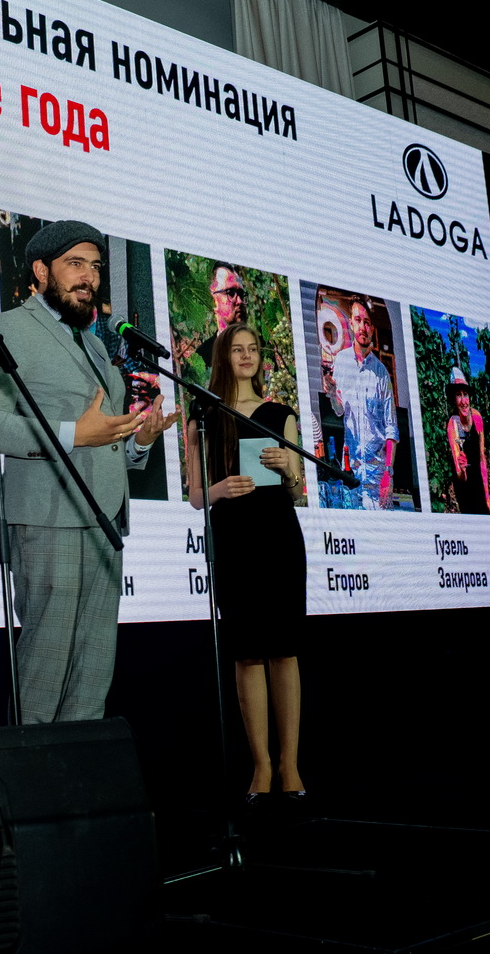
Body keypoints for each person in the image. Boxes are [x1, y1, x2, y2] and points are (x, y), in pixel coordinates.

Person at [0, 220, 177, 723]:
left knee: (92, 675)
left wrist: (140, 441)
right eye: (75, 264)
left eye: (96, 267)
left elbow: (106, 440)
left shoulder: (97, 346)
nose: (90, 278)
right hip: (47, 519)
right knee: (46, 670)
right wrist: (73, 434)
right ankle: (29, 774)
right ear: (41, 271)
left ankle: (79, 772)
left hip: (106, 523)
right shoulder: (6, 329)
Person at [187, 323, 307, 802]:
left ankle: (290, 765)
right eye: (237, 349)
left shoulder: (281, 414)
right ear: (223, 357)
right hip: (234, 541)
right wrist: (219, 489)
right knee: (248, 652)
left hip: (278, 539)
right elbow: (196, 496)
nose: (247, 355)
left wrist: (286, 469)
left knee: (284, 650)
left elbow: (297, 492)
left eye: (253, 349)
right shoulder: (205, 416)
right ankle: (261, 766)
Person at [331, 298, 398, 509]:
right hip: (350, 472)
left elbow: (391, 428)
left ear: (372, 329)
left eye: (367, 322)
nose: (363, 327)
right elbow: (339, 410)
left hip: (377, 477)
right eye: (358, 320)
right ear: (351, 324)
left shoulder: (382, 373)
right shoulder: (340, 361)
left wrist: (388, 473)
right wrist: (332, 393)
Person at [445, 367, 490, 514]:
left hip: (478, 476)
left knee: (485, 510)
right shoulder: (453, 424)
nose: (463, 401)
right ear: (454, 399)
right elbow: (460, 475)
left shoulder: (477, 417)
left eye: (465, 394)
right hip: (463, 483)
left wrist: (487, 497)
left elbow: (482, 458)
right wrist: (463, 470)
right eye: (458, 395)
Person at [198, 262, 247, 369]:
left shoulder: (263, 350)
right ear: (213, 300)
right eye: (230, 293)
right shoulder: (202, 357)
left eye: (241, 294)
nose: (239, 301)